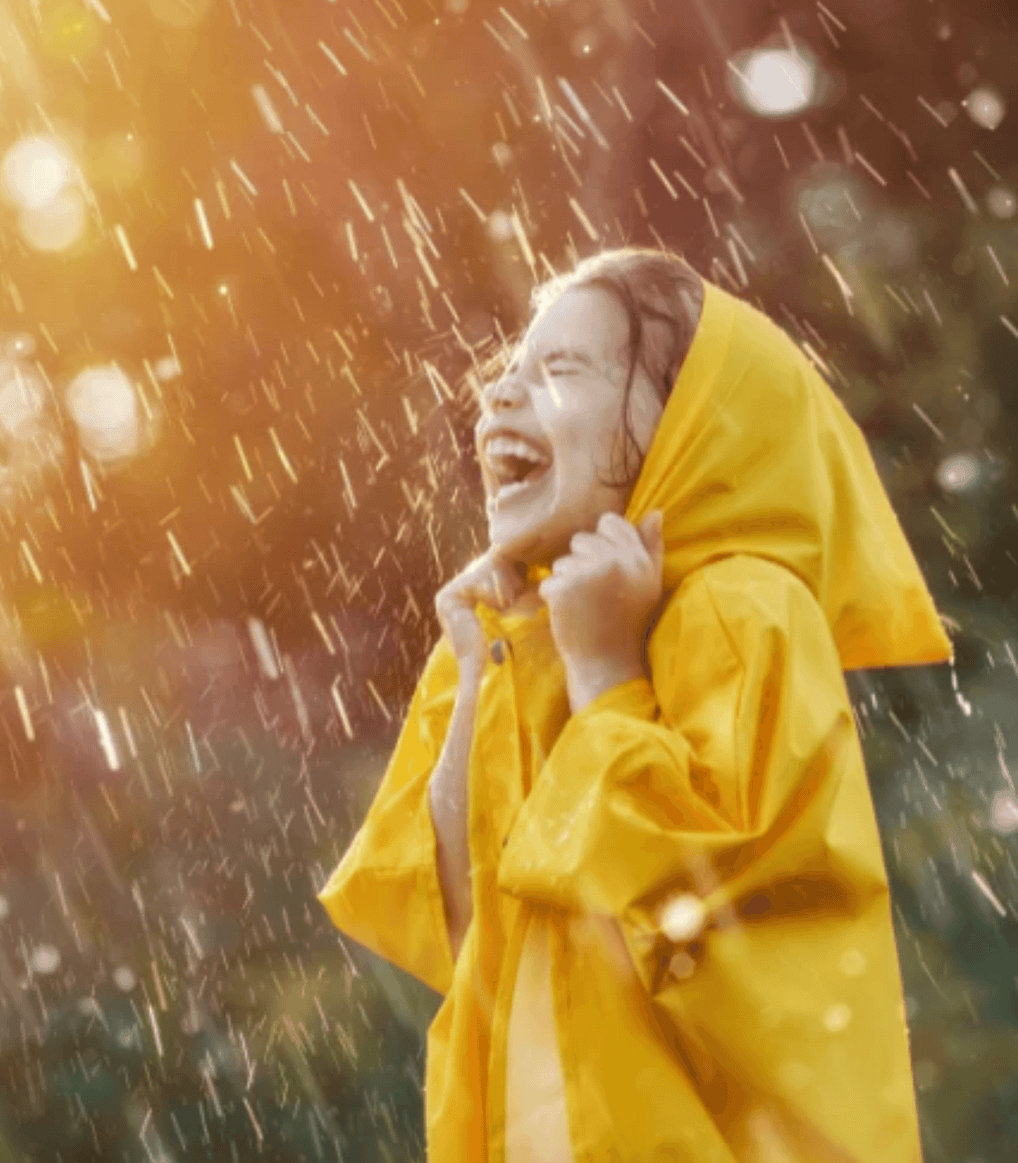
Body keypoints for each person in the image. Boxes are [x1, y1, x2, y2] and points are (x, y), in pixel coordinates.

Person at [318, 248, 952, 1163]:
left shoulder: (740, 608)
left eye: (562, 370)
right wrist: (481, 662)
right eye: (508, 372)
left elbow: (705, 919)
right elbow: (465, 918)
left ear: (688, 427)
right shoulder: (531, 634)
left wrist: (609, 673)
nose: (497, 398)